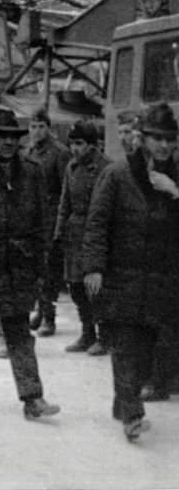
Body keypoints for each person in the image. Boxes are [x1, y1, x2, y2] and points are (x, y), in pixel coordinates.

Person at [82, 102, 179, 441]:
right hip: (121, 278)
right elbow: (97, 223)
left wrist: (176, 193)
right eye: (157, 139)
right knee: (125, 346)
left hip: (160, 283)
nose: (164, 146)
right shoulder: (118, 175)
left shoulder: (176, 178)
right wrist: (93, 267)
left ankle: (123, 401)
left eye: (170, 140)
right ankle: (132, 414)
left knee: (147, 350)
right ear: (142, 139)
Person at [0, 109, 60, 420]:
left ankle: (33, 399)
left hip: (19, 267)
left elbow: (43, 221)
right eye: (0, 137)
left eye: (12, 137)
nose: (7, 142)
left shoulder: (32, 172)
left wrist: (43, 267)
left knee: (19, 333)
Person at [54, 120, 109, 356]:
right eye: (72, 143)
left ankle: (104, 336)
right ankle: (87, 333)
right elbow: (64, 202)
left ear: (92, 145)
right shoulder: (71, 166)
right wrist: (58, 232)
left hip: (96, 233)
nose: (75, 149)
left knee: (96, 288)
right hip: (74, 233)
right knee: (76, 287)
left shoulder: (106, 168)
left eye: (79, 144)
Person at [23, 108, 71, 337]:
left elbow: (65, 189)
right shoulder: (28, 150)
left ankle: (49, 318)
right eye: (33, 126)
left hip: (51, 217)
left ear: (48, 128)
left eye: (41, 126)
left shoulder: (60, 152)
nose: (36, 131)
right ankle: (41, 311)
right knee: (34, 267)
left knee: (50, 269)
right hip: (32, 215)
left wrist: (60, 223)